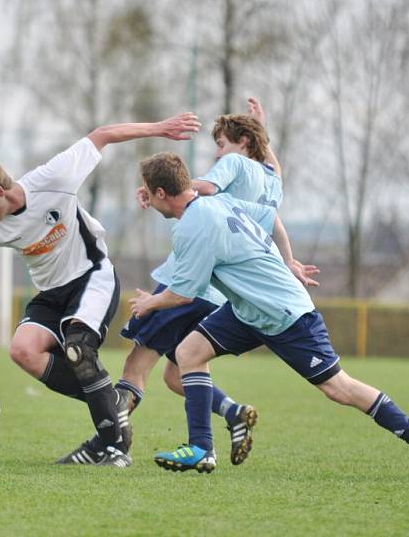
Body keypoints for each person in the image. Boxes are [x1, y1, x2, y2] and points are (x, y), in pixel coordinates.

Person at [0, 112, 202, 466]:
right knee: (23, 351)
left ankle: (114, 447)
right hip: (51, 293)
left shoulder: (54, 178)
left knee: (78, 349)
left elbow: (102, 134)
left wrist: (159, 129)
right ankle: (112, 406)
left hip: (93, 276)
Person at [131, 152, 409, 481]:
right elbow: (271, 217)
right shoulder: (219, 201)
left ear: (162, 193)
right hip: (248, 311)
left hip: (286, 314)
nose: (149, 202)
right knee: (188, 353)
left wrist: (149, 303)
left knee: (340, 388)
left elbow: (183, 294)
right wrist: (290, 260)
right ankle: (201, 448)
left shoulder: (191, 227)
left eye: (150, 196)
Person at [63, 97, 316, 467]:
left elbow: (204, 188)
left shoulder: (233, 165)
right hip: (224, 290)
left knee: (136, 367)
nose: (218, 151)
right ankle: (232, 413)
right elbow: (273, 219)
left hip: (192, 280)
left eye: (222, 143)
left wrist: (160, 186)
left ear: (243, 143)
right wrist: (288, 260)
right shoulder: (272, 178)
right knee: (177, 372)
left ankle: (110, 444)